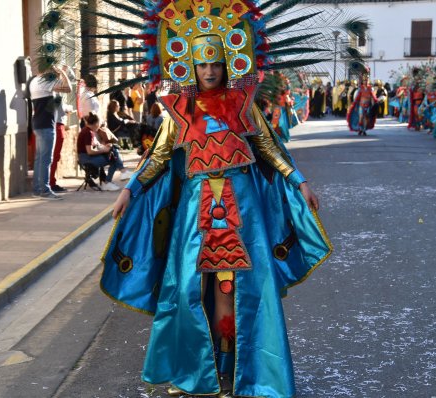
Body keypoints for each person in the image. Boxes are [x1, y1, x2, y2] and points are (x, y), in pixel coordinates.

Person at [99, 9, 332, 397]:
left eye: (216, 63)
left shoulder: (243, 104)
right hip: (195, 209)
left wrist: (299, 181)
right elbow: (158, 157)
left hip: (243, 208)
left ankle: (237, 370)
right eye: (202, 63)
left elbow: (267, 146)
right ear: (191, 65)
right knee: (189, 286)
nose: (209, 71)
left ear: (228, 65)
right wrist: (130, 190)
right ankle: (191, 369)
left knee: (238, 287)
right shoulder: (179, 109)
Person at [28, 65, 71, 200]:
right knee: (46, 159)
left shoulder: (34, 81)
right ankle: (45, 191)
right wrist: (63, 72)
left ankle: (37, 190)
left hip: (38, 123)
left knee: (39, 158)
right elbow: (68, 88)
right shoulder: (45, 81)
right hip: (46, 124)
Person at [77, 112, 132, 191]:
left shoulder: (89, 131)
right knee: (113, 158)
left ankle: (117, 176)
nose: (100, 126)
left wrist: (104, 147)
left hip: (88, 157)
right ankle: (112, 178)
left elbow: (95, 146)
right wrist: (103, 150)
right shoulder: (88, 133)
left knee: (113, 152)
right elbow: (90, 151)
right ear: (96, 123)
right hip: (86, 158)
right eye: (99, 123)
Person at [50, 92, 74, 193]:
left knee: (54, 156)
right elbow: (59, 108)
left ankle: (50, 181)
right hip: (57, 125)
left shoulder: (55, 94)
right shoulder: (54, 94)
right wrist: (68, 108)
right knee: (54, 156)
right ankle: (51, 182)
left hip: (56, 125)